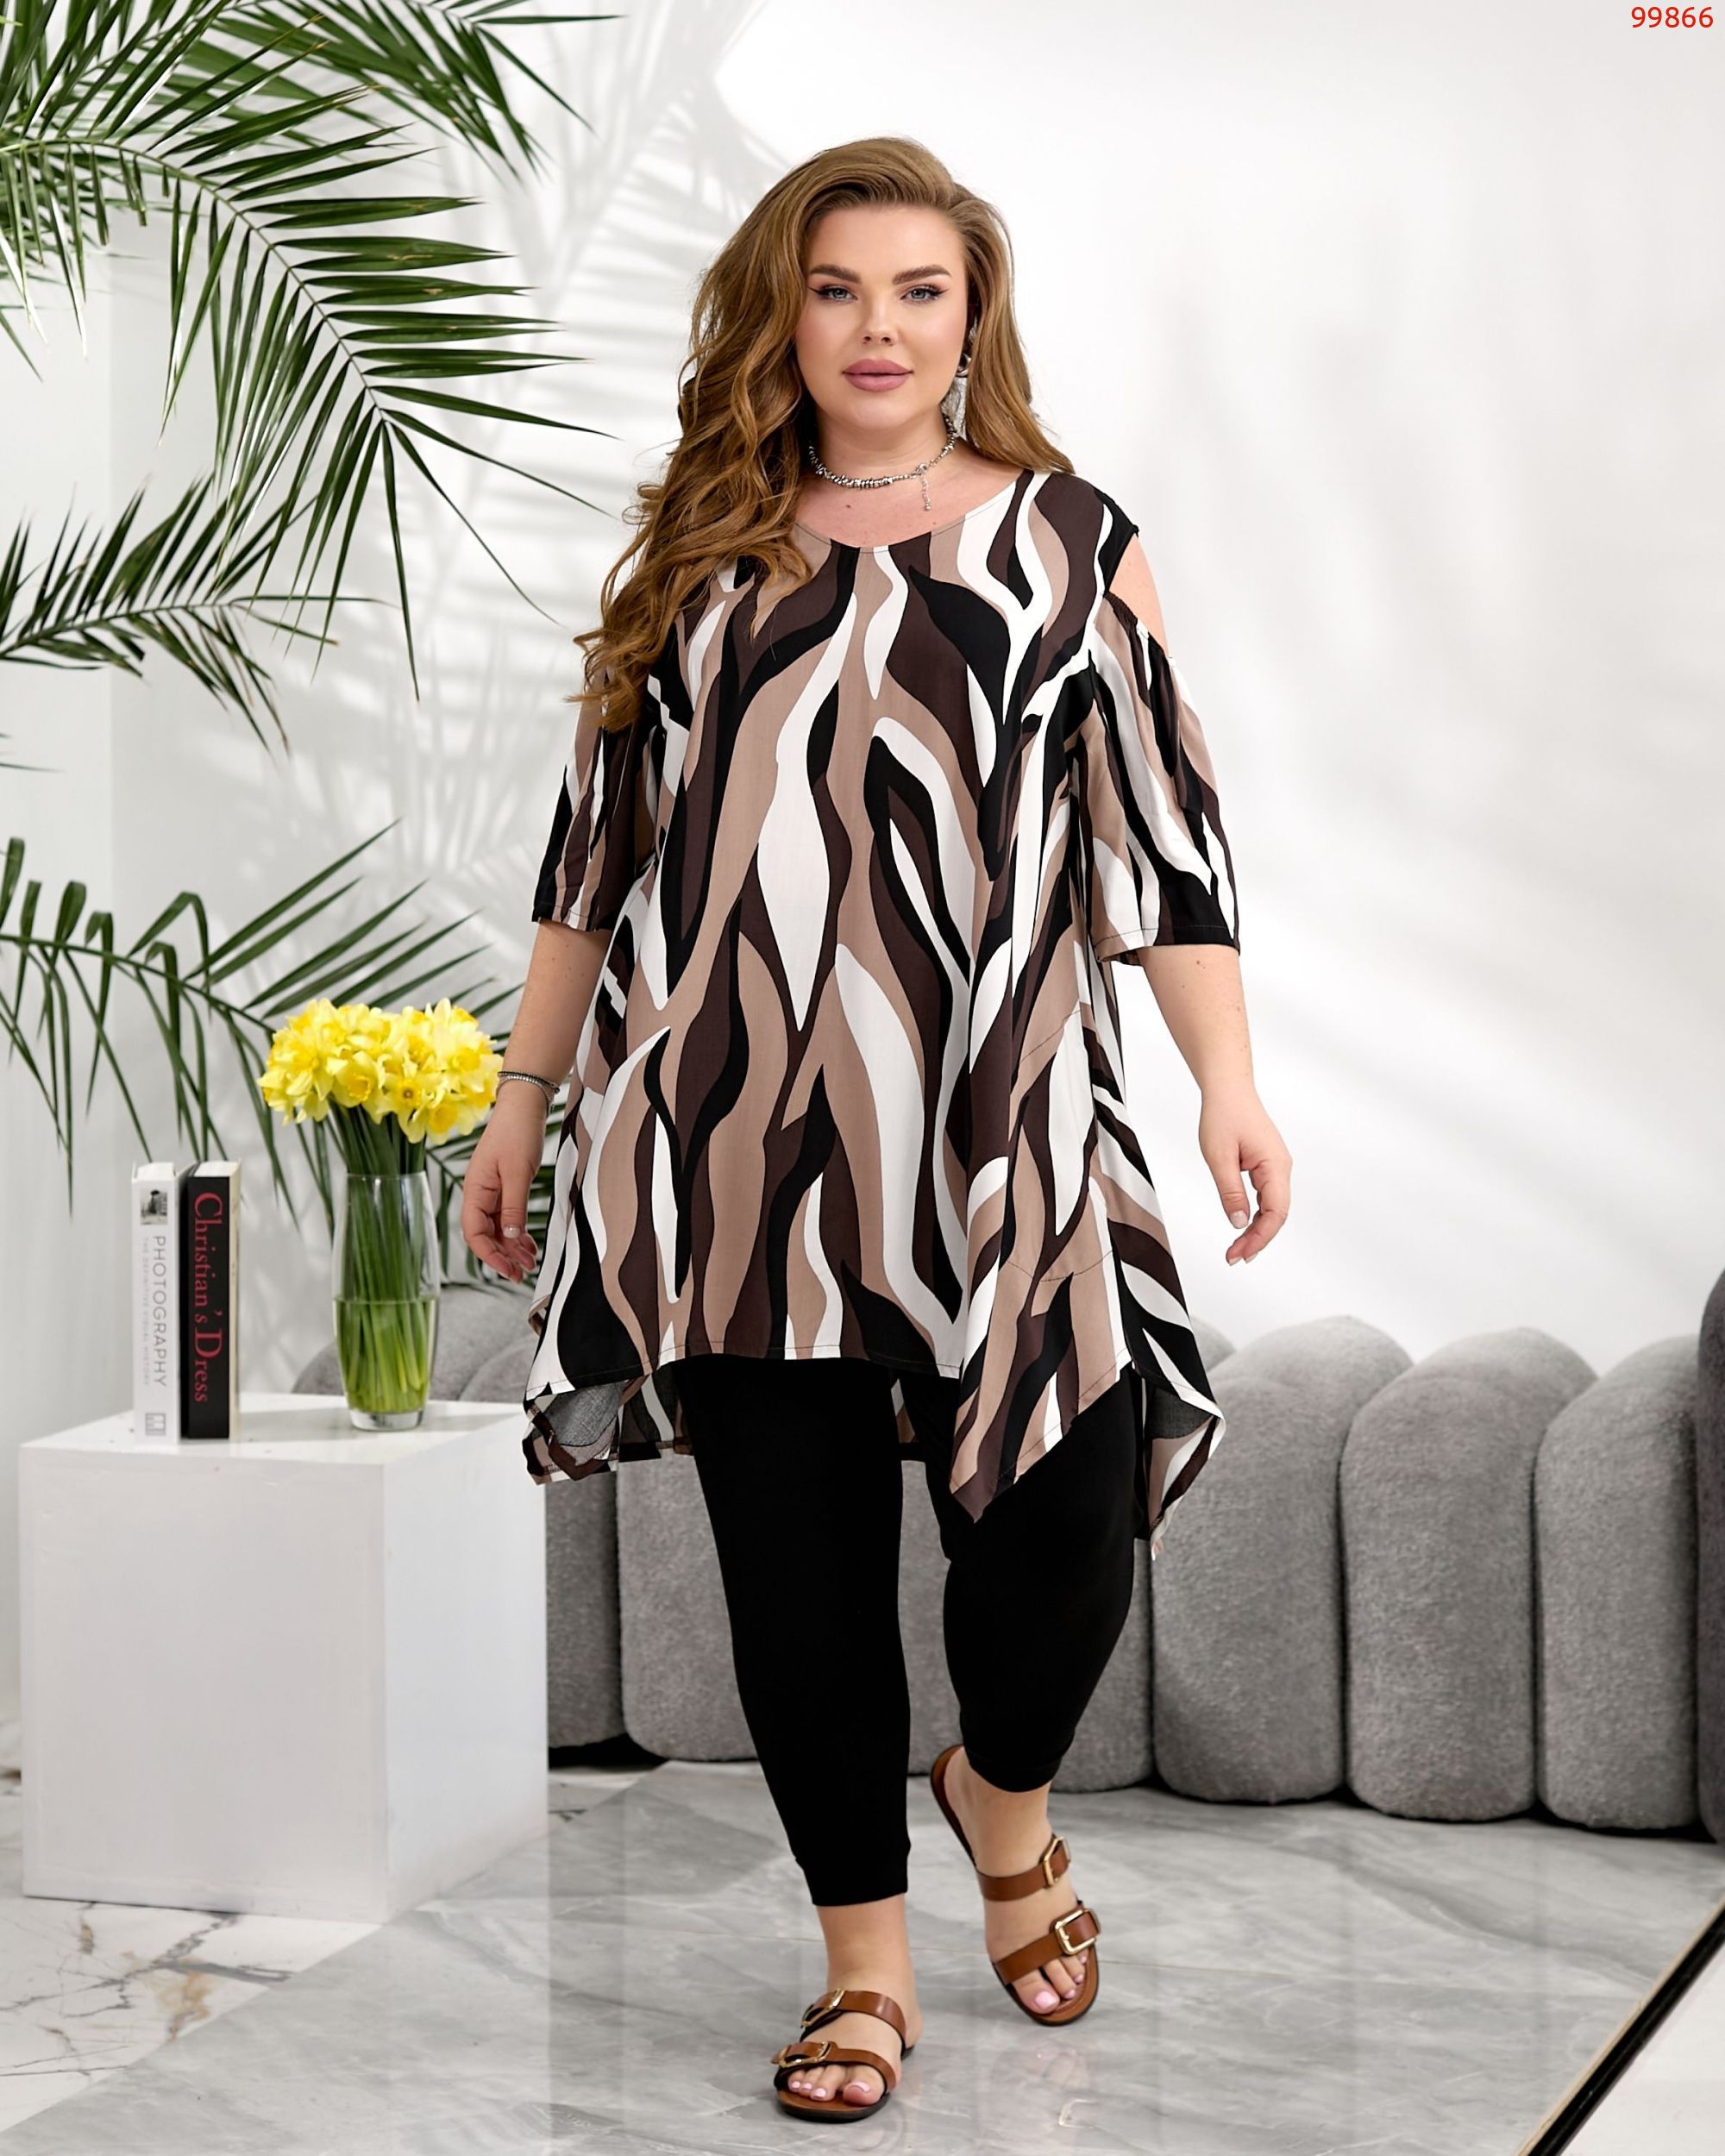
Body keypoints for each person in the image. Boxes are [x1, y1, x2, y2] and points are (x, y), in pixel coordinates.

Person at [462, 135, 1291, 2123]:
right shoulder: (697, 555)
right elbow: (594, 861)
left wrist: (1227, 1079)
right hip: (739, 1137)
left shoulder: (1072, 543)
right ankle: (862, 1966)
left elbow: (1165, 844)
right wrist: (522, 1100)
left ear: (971, 315)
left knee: (1068, 1520)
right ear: (784, 311)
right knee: (799, 1570)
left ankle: (1000, 1791)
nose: (877, 328)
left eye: (919, 290)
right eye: (836, 288)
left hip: (1007, 1130)